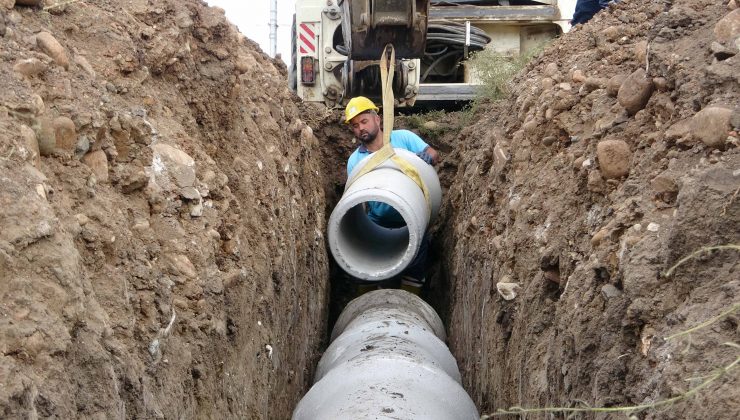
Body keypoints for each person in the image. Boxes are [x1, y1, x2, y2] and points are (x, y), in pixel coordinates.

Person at [344, 96, 439, 293]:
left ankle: (409, 309)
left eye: (364, 121)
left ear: (377, 119)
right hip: (377, 223)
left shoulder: (403, 138)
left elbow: (432, 153)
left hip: (412, 221)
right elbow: (356, 201)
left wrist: (427, 157)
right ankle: (368, 308)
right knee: (365, 270)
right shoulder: (356, 160)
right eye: (355, 125)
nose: (360, 128)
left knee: (414, 269)